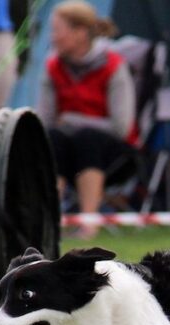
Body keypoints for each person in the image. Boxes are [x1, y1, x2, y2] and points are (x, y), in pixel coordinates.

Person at [36, 0, 135, 239]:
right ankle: (48, 222)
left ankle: (88, 224)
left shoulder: (113, 66)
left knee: (86, 138)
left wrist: (74, 120)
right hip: (67, 150)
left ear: (80, 33)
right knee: (52, 138)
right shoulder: (52, 67)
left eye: (57, 31)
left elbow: (122, 127)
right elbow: (46, 120)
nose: (53, 38)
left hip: (114, 154)